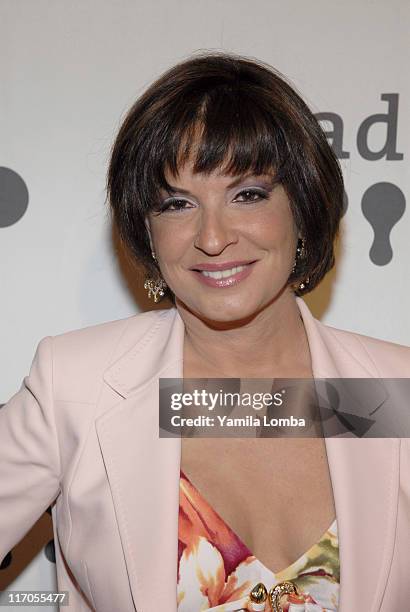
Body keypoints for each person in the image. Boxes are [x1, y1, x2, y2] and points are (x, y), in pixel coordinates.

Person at [0, 51, 409, 612]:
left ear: (304, 209)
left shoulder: (394, 392)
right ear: (146, 231)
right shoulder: (79, 388)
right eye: (177, 203)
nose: (212, 237)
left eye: (248, 194)